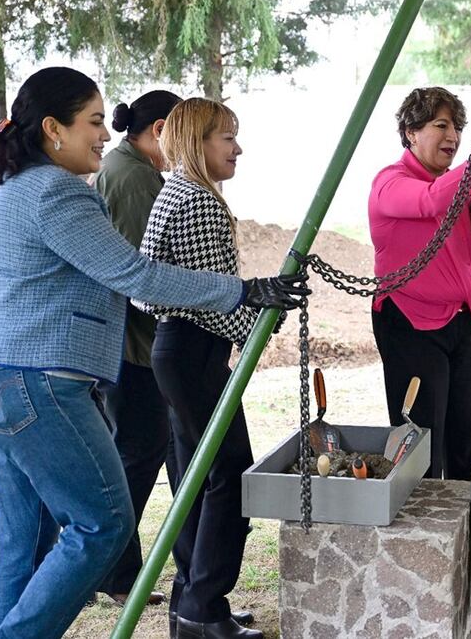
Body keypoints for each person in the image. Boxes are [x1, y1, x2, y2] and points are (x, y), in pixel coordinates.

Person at [0, 68, 308, 639]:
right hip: (41, 384)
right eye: (94, 122)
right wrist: (243, 291)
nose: (106, 134)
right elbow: (135, 274)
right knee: (102, 526)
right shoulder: (57, 192)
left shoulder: (13, 188)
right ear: (53, 128)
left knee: (22, 537)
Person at [138, 97, 295, 639]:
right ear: (196, 141)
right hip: (195, 350)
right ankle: (204, 607)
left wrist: (254, 305)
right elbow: (212, 302)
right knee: (229, 474)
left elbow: (160, 293)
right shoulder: (201, 202)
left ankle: (191, 601)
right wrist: (264, 316)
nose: (238, 148)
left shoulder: (173, 191)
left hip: (175, 350)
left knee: (195, 479)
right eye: (227, 137)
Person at [369, 87, 471, 480]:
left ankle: (469, 513)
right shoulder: (390, 183)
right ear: (411, 132)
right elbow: (430, 200)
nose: (453, 136)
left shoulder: (458, 190)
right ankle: (422, 519)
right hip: (410, 324)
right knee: (421, 444)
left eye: (457, 127)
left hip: (459, 325)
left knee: (466, 436)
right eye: (441, 125)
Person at [91, 89, 182, 608]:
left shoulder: (132, 169)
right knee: (138, 453)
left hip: (139, 344)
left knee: (158, 450)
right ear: (162, 129)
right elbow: (140, 274)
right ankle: (116, 572)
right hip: (135, 347)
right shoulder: (131, 177)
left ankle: (132, 570)